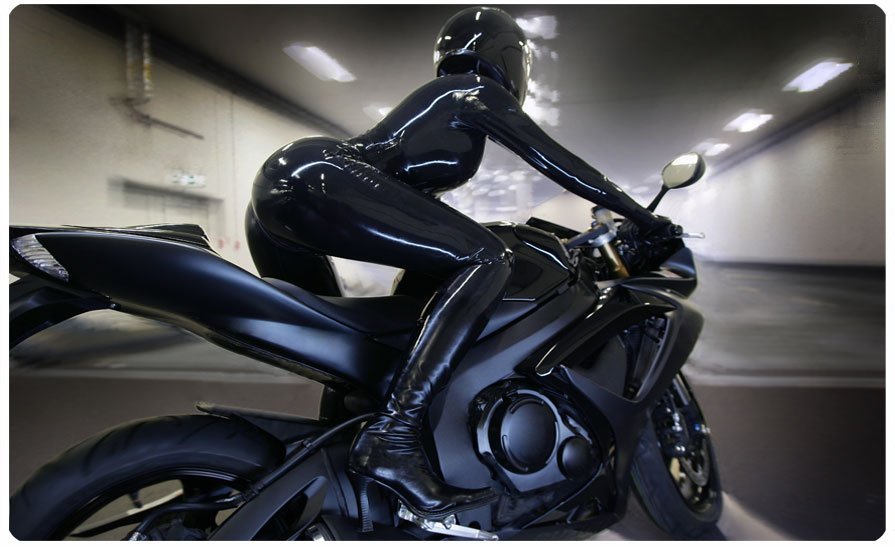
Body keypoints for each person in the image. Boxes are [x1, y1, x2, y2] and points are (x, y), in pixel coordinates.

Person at [249, 7, 669, 520]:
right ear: (510, 58)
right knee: (489, 258)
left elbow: (411, 205)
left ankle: (345, 446)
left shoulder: (440, 102)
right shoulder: (472, 89)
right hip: (317, 174)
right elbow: (559, 162)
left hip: (279, 194)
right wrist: (642, 216)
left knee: (356, 346)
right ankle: (393, 437)